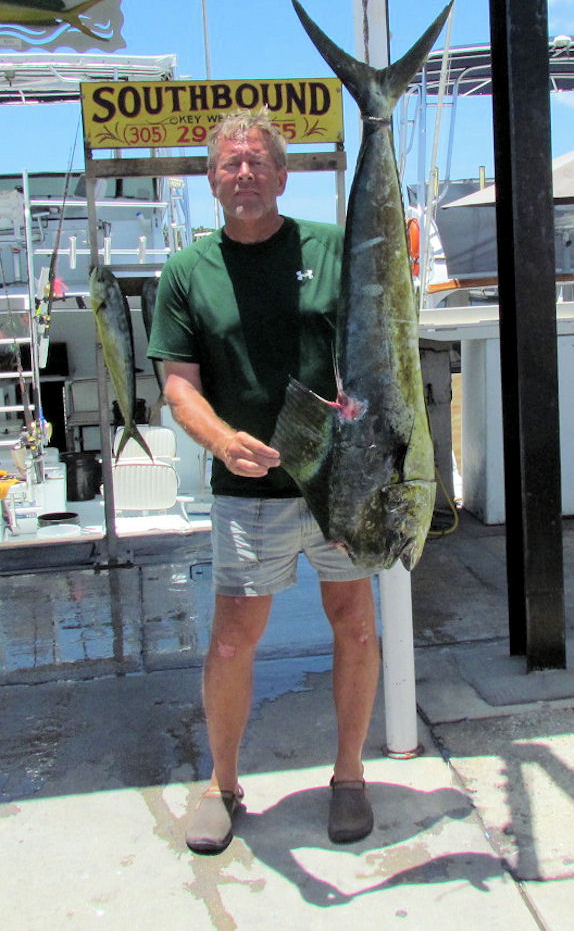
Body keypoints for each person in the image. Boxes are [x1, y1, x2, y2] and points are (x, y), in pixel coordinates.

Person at [148, 108, 380, 854]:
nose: (243, 173)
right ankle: (222, 785)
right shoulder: (187, 273)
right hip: (249, 489)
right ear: (211, 180)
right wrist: (220, 439)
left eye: (257, 162)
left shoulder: (335, 249)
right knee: (230, 643)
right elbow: (178, 385)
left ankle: (349, 777)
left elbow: (379, 353)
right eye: (229, 163)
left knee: (357, 624)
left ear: (283, 176)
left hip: (338, 481)